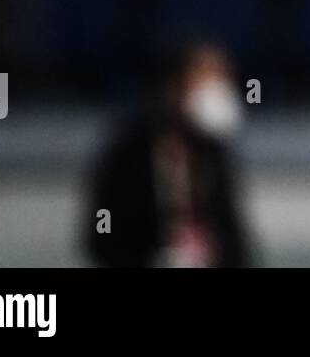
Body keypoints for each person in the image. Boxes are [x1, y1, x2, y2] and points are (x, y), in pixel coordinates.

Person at [84, 41, 250, 267]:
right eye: (206, 81)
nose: (218, 92)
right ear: (174, 87)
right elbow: (101, 238)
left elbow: (235, 242)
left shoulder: (213, 154)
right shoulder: (127, 153)